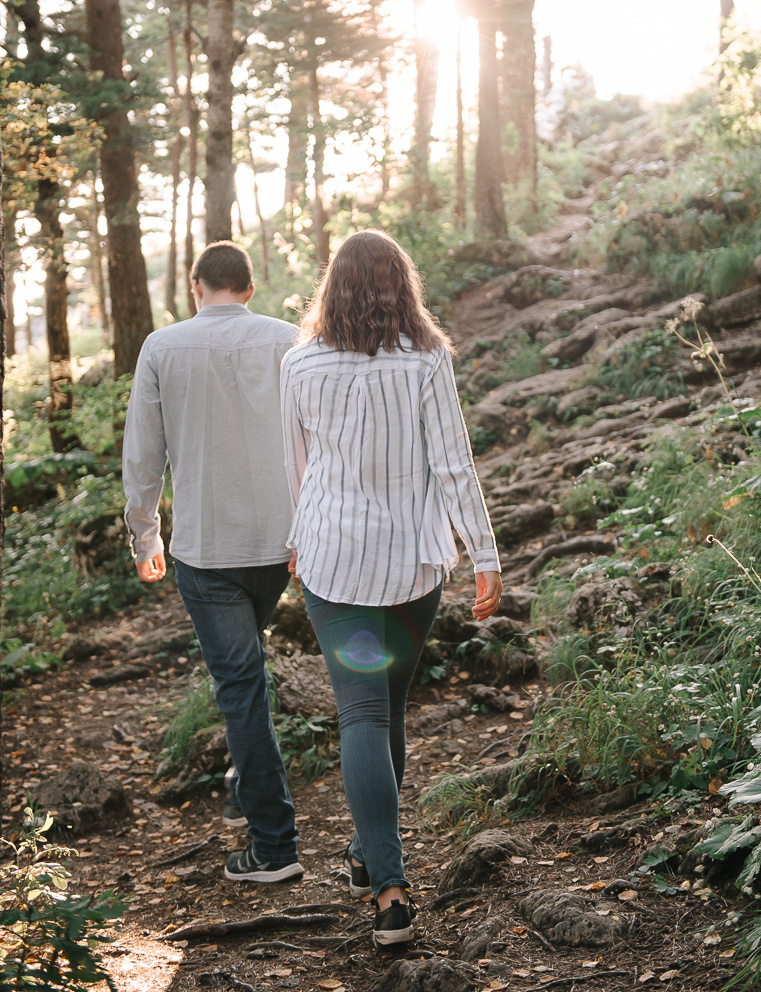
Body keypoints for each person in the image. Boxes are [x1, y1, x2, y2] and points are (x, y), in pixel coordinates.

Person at [280, 229, 502, 946]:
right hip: (412, 562)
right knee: (388, 710)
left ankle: (385, 881)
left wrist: (296, 537)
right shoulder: (425, 361)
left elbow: (298, 463)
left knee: (363, 716)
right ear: (401, 285)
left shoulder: (298, 364)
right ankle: (378, 864)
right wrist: (485, 554)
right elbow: (453, 464)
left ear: (331, 288)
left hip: (334, 558)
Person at [123, 240, 302, 884]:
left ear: (196, 285)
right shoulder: (291, 341)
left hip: (207, 550)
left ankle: (274, 844)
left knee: (240, 684)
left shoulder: (162, 347)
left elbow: (143, 454)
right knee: (245, 670)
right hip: (282, 544)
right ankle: (242, 786)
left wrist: (146, 536)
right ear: (249, 288)